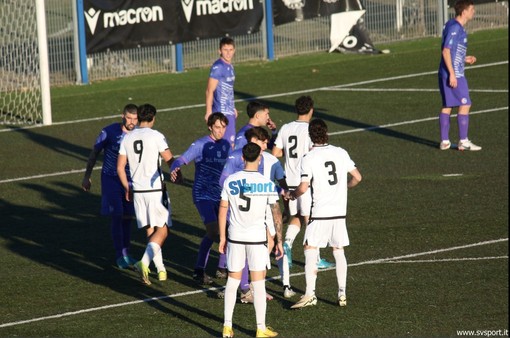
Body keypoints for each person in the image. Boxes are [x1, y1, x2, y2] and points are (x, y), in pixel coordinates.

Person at [287, 118, 362, 309]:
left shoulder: (309, 158)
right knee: (338, 250)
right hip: (339, 211)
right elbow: (357, 177)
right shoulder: (340, 152)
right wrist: (345, 187)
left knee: (309, 247)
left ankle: (310, 294)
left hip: (320, 212)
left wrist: (291, 195)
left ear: (311, 136)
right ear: (327, 133)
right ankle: (342, 293)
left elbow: (303, 188)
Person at [219, 142, 283, 338]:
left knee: (232, 282)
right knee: (259, 284)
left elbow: (223, 209)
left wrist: (222, 237)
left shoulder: (230, 181)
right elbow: (276, 214)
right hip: (256, 239)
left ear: (242, 158)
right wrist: (278, 240)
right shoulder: (267, 183)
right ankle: (260, 328)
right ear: (260, 158)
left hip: (236, 237)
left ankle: (227, 326)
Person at [219, 127, 289, 302]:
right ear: (253, 140)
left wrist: (279, 191)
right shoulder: (236, 156)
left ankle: (246, 288)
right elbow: (223, 181)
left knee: (262, 245)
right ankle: (245, 289)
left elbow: (267, 184)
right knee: (248, 249)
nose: (266, 146)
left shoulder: (265, 159)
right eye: (262, 141)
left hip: (258, 209)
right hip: (239, 211)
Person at [272, 95, 334, 275]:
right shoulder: (310, 130)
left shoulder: (286, 128)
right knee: (311, 220)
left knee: (296, 215)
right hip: (305, 182)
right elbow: (316, 153)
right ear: (311, 110)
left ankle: (287, 244)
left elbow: (276, 152)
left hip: (288, 182)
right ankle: (316, 259)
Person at [170, 113, 231, 285]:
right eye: (217, 127)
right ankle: (199, 270)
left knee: (230, 230)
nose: (221, 131)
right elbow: (180, 159)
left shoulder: (227, 145)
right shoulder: (200, 144)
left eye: (224, 127)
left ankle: (223, 268)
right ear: (210, 127)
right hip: (203, 194)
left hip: (222, 195)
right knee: (213, 231)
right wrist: (176, 168)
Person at [117, 104, 174, 285]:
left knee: (151, 229)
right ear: (153, 118)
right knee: (163, 229)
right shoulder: (156, 136)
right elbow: (169, 159)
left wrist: (127, 187)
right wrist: (177, 171)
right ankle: (145, 261)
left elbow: (120, 167)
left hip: (138, 191)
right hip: (155, 190)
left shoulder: (127, 138)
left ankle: (161, 269)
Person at [81, 103, 138, 269]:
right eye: (129, 118)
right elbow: (94, 154)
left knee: (128, 217)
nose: (132, 122)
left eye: (135, 119)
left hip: (130, 181)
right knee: (117, 215)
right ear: (123, 116)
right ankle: (119, 255)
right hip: (111, 180)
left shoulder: (140, 134)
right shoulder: (109, 132)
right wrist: (87, 177)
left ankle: (127, 254)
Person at [438, 0, 481, 151]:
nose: (473, 12)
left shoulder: (452, 25)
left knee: (448, 105)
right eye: (472, 9)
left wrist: (464, 58)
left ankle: (445, 142)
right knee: (465, 103)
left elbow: (452, 50)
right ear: (464, 12)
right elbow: (446, 51)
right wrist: (452, 74)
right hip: (454, 72)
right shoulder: (455, 28)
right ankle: (463, 141)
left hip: (448, 70)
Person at [205, 37, 237, 147]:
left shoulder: (230, 66)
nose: (228, 53)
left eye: (230, 50)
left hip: (229, 111)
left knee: (230, 144)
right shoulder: (218, 67)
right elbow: (210, 90)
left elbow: (228, 89)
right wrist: (209, 111)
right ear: (219, 51)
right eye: (225, 50)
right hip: (221, 111)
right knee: (226, 145)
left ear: (234, 50)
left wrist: (233, 107)